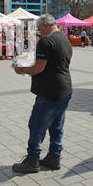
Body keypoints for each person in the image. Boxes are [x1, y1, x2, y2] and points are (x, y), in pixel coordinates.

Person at [12, 14, 73, 173]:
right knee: (56, 126)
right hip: (64, 89)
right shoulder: (64, 39)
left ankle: (32, 160)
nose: (38, 33)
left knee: (36, 125)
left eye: (39, 29)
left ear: (45, 24)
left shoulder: (46, 41)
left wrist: (21, 70)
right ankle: (54, 157)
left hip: (49, 91)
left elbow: (38, 68)